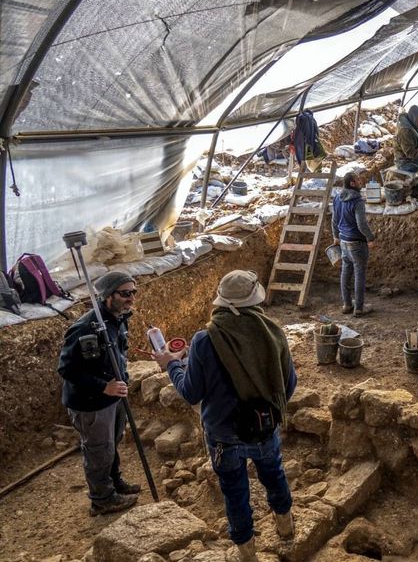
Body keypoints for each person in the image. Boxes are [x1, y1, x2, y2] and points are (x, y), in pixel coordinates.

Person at [155, 270, 297, 562]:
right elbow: (289, 384)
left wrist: (172, 365)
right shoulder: (272, 333)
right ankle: (286, 528)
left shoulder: (205, 340)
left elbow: (191, 393)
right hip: (264, 427)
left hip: (223, 436)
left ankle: (248, 554)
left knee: (235, 494)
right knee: (274, 476)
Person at [57, 271, 141, 516]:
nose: (131, 298)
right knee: (98, 450)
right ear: (107, 296)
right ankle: (102, 498)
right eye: (125, 293)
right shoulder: (86, 327)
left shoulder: (118, 319)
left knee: (111, 444)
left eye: (133, 292)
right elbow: (67, 369)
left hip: (114, 397)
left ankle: (114, 482)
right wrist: (103, 386)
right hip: (91, 403)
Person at [331, 171, 376, 316]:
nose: (360, 182)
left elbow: (334, 220)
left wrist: (336, 236)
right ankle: (359, 308)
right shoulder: (357, 201)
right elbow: (361, 224)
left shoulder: (338, 198)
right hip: (357, 243)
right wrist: (370, 238)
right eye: (358, 180)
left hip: (344, 241)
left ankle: (346, 305)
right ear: (352, 183)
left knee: (345, 272)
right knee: (359, 274)